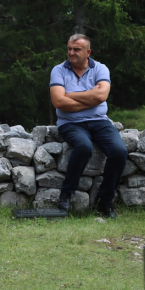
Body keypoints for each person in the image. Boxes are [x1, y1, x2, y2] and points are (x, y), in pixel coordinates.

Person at [50, 34, 127, 218]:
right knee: (84, 147)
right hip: (70, 123)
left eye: (76, 49)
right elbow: (58, 102)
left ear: (88, 52)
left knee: (119, 152)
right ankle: (66, 195)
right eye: (69, 48)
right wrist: (90, 97)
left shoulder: (100, 68)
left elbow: (101, 97)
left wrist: (71, 95)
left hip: (99, 121)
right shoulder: (58, 70)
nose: (71, 52)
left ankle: (105, 202)